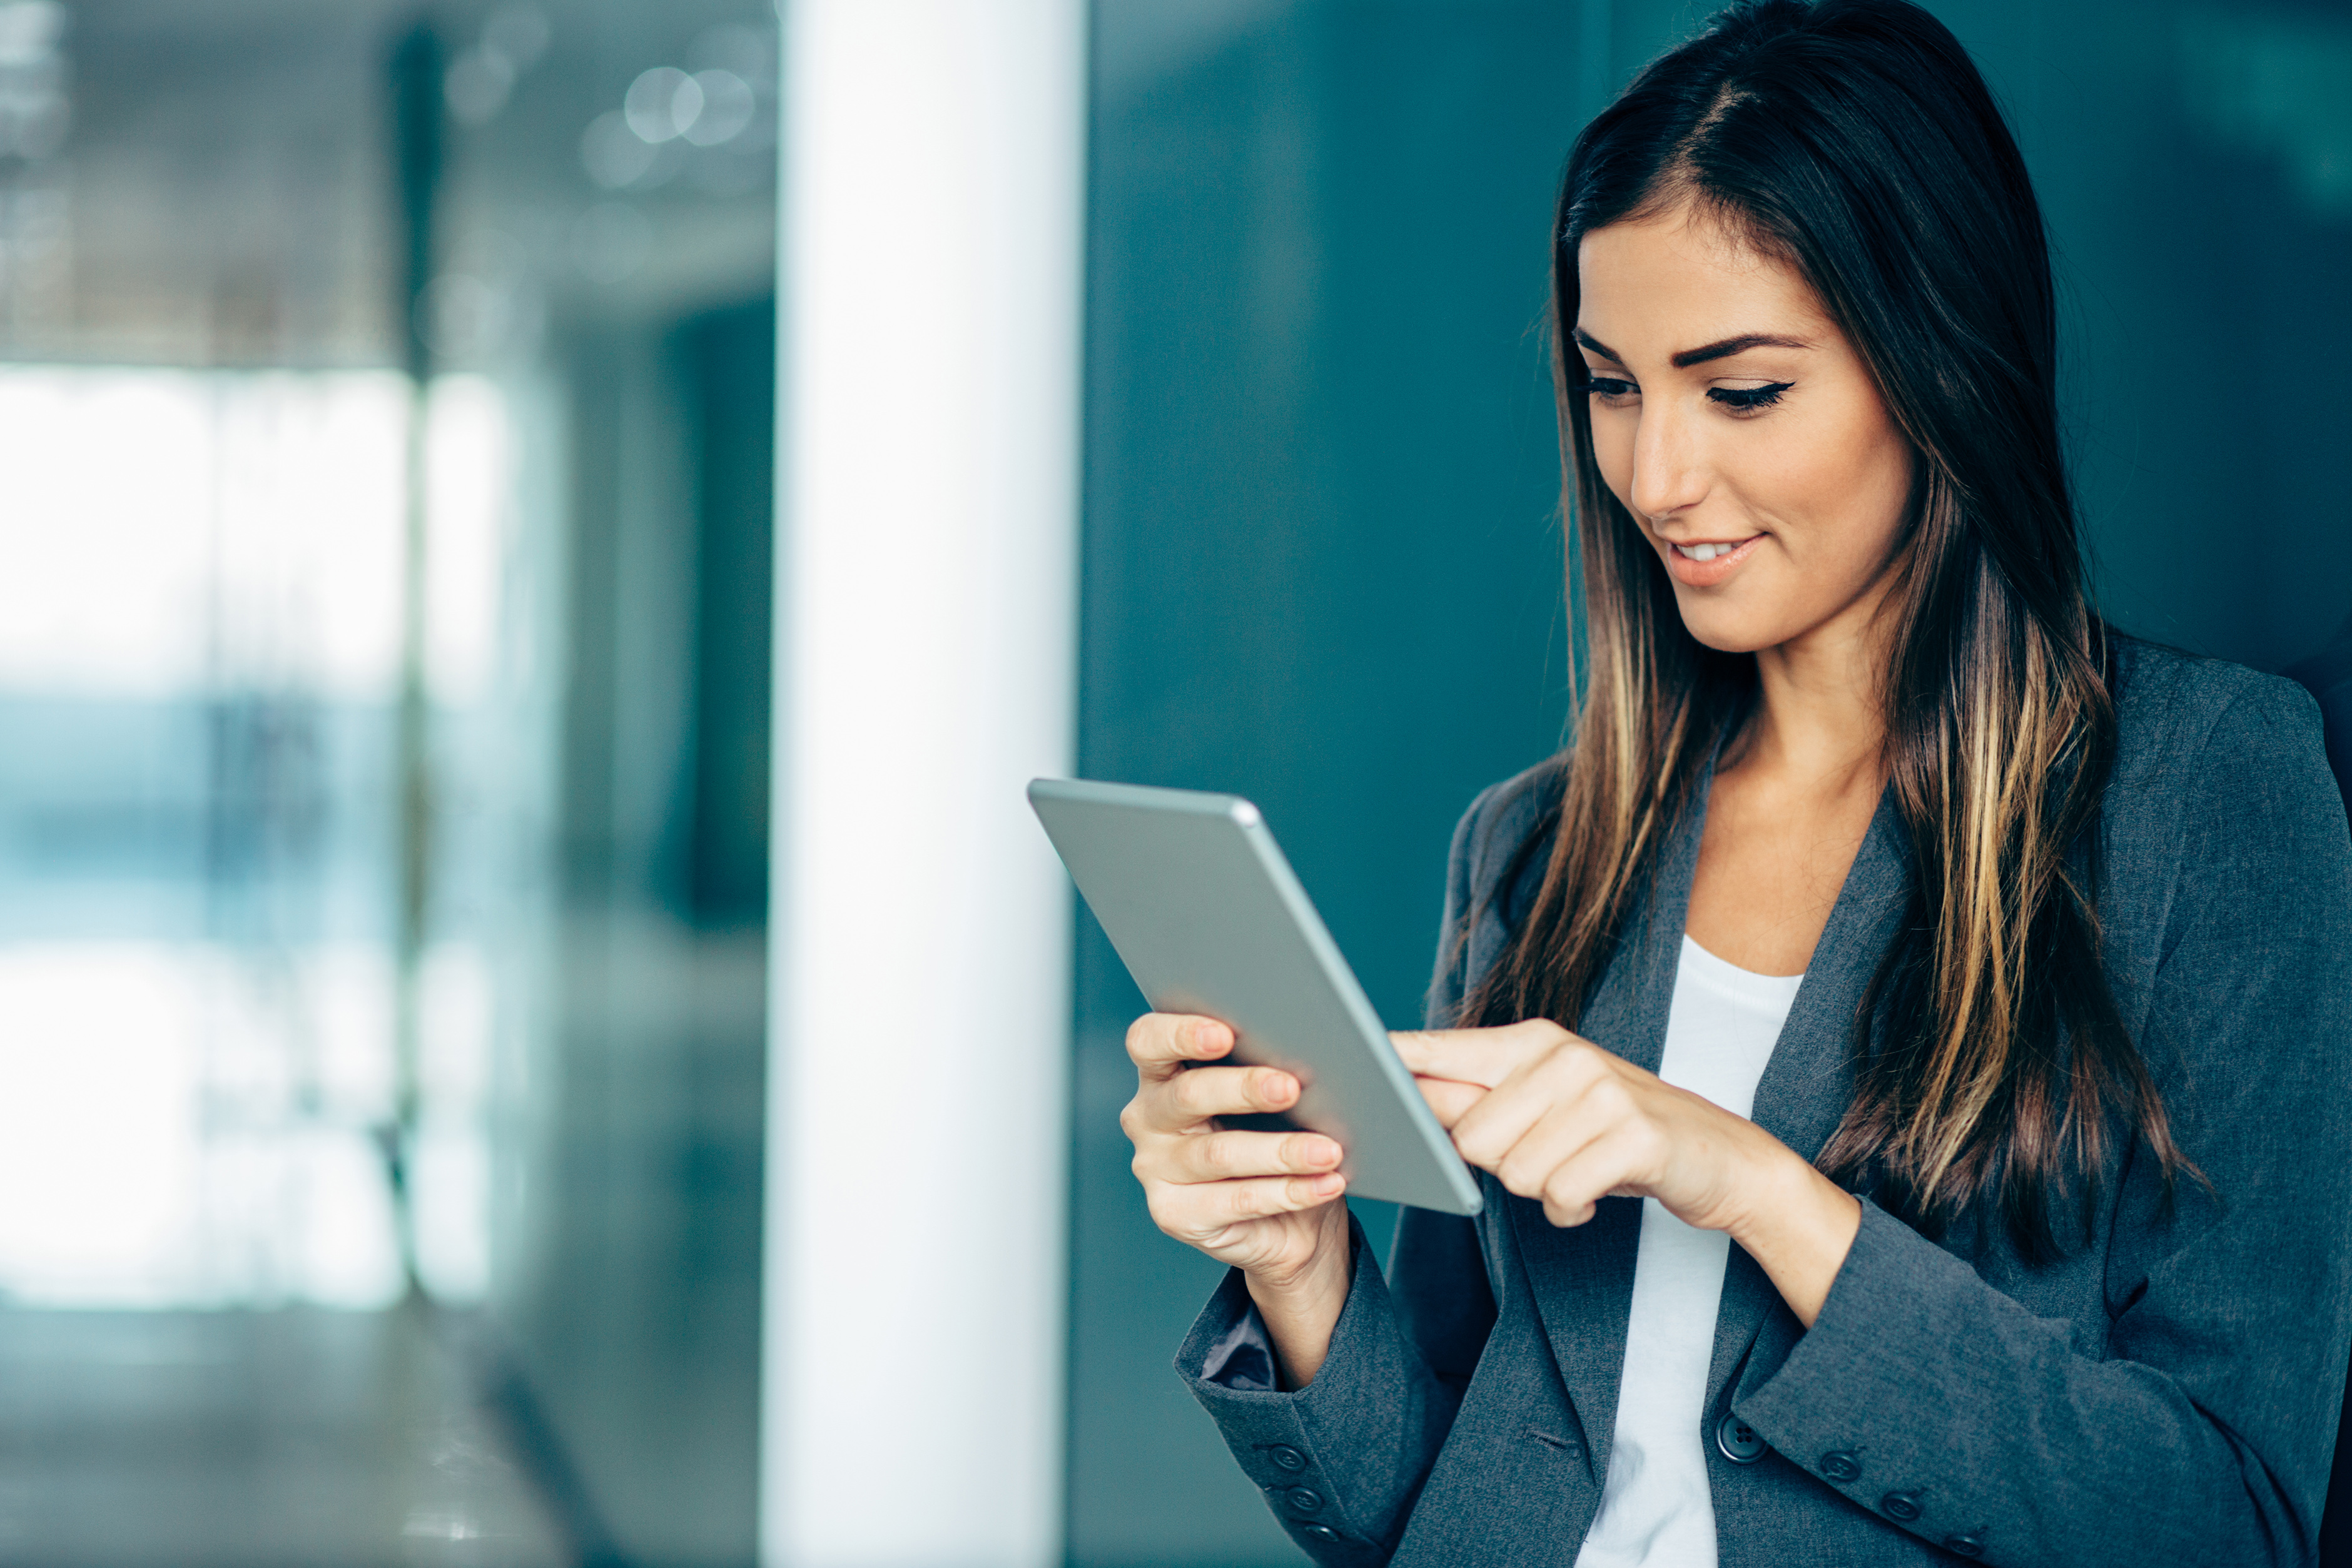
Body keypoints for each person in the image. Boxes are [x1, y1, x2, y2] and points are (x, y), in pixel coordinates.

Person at [1115, 1, 2352, 1563]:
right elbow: (1428, 1506)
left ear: (1940, 363)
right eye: (1610, 383)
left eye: (1741, 389)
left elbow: (2223, 1523)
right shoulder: (1533, 845)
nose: (1651, 476)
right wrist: (1298, 1267)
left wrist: (1749, 1185)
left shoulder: (2206, 795)